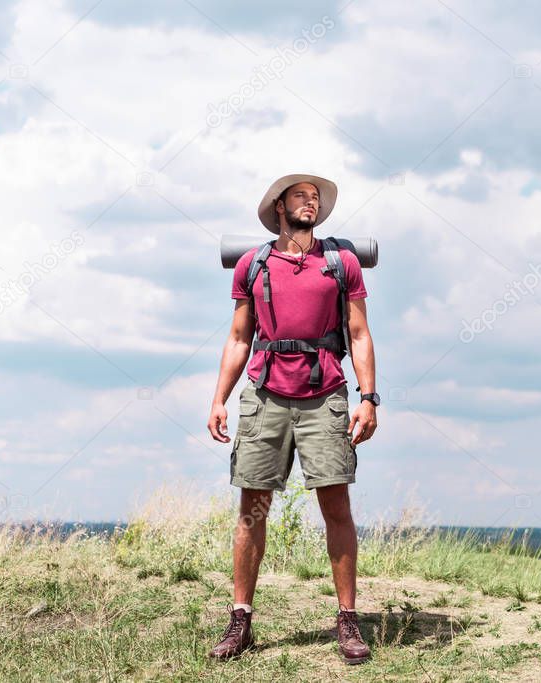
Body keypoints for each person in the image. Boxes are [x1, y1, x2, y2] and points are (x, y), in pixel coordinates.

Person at [206, 173, 379, 665]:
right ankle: (240, 619)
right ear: (279, 206)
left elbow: (359, 333)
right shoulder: (252, 264)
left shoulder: (341, 263)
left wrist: (370, 398)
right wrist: (219, 398)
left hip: (325, 393)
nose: (312, 201)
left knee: (336, 505)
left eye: (316, 196)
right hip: (264, 395)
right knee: (251, 509)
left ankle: (347, 619)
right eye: (300, 195)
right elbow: (240, 337)